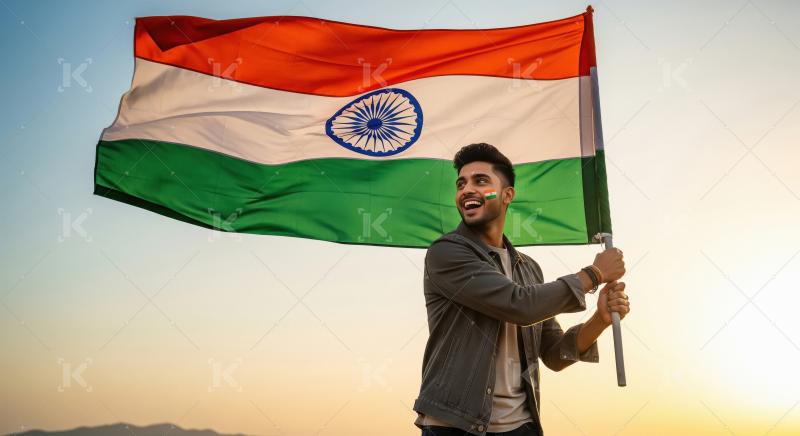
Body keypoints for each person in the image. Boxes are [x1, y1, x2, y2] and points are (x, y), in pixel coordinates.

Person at [413, 143, 630, 436]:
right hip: (455, 426)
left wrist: (600, 320)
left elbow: (555, 354)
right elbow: (520, 306)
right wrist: (594, 274)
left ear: (507, 195)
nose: (466, 190)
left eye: (480, 181)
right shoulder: (446, 253)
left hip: (521, 427)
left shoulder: (528, 269)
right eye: (461, 184)